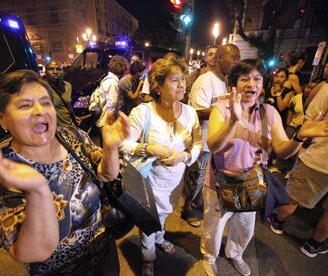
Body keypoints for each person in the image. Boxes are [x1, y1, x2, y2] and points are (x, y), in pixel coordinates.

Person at [0, 70, 130, 275]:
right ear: (2, 118)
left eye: (46, 102)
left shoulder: (71, 136)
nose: (40, 110)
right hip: (61, 270)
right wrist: (37, 191)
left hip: (103, 251)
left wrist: (110, 147)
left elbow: (107, 175)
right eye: (25, 105)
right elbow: (33, 252)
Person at [201, 59, 328, 276]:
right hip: (220, 182)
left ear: (262, 84)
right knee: (215, 225)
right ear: (233, 86)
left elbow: (282, 149)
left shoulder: (269, 112)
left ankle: (235, 253)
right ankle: (209, 256)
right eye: (244, 79)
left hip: (252, 183)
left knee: (245, 226)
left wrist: (300, 136)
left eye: (256, 78)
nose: (251, 83)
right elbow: (213, 145)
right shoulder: (221, 109)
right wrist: (234, 121)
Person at [120, 56, 202, 276]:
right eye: (176, 80)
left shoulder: (190, 113)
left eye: (183, 79)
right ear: (158, 84)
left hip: (175, 182)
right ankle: (148, 258)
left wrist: (184, 157)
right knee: (148, 222)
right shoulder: (143, 113)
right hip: (148, 182)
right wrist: (149, 148)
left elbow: (198, 144)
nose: (183, 84)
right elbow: (122, 144)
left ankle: (160, 238)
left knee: (164, 215)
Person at [269, 78, 328, 259]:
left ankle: (277, 221)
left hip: (320, 158)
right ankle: (313, 244)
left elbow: (310, 118)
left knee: (293, 198)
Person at [183, 44, 240, 227]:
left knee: (206, 178)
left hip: (216, 142)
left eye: (238, 57)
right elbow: (196, 112)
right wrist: (225, 109)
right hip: (203, 141)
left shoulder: (225, 82)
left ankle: (197, 200)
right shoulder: (205, 81)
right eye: (234, 57)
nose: (237, 62)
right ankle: (187, 208)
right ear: (219, 58)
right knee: (196, 177)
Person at [96, 55, 129, 128]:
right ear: (122, 69)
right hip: (107, 121)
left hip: (104, 119)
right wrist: (111, 122)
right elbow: (111, 104)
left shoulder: (107, 79)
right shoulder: (112, 83)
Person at [45, 60, 74, 127]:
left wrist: (74, 117)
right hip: (54, 129)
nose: (55, 72)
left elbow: (68, 105)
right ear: (46, 72)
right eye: (51, 69)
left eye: (58, 69)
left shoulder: (67, 86)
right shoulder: (42, 88)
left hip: (69, 126)